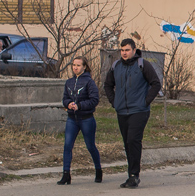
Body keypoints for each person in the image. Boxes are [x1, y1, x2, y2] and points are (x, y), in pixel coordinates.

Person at [103, 38, 161, 188]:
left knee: (133, 140)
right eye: (122, 50)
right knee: (127, 143)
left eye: (127, 50)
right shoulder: (116, 66)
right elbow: (108, 85)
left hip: (139, 110)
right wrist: (114, 102)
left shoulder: (143, 65)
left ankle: (134, 175)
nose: (124, 53)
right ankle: (131, 175)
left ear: (134, 50)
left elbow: (156, 83)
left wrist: (145, 101)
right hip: (122, 110)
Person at [59, 56, 102, 185]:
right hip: (72, 118)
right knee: (67, 145)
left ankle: (98, 170)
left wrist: (80, 105)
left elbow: (94, 100)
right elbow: (65, 98)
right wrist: (69, 104)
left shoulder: (89, 82)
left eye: (78, 65)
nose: (75, 67)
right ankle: (66, 174)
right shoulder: (69, 82)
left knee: (90, 146)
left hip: (86, 119)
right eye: (73, 65)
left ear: (84, 67)